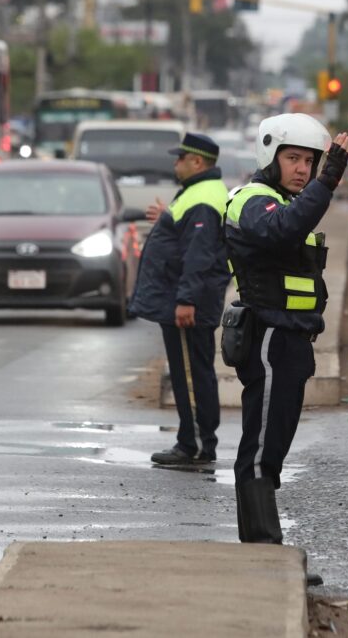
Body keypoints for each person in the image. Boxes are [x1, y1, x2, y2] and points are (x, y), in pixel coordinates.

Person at [224, 113, 348, 544]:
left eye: (310, 161)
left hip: (290, 339)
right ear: (270, 155)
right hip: (268, 336)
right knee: (262, 443)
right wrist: (329, 179)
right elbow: (283, 230)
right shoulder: (251, 199)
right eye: (292, 158)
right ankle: (262, 544)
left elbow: (292, 222)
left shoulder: (281, 201)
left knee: (274, 439)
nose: (302, 169)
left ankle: (262, 539)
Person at [129, 132, 232, 465]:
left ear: (197, 162)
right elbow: (190, 237)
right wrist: (167, 219)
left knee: (190, 372)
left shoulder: (202, 197)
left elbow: (199, 254)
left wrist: (186, 300)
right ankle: (193, 439)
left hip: (189, 302)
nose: (175, 163)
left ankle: (196, 444)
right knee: (190, 369)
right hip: (183, 297)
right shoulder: (199, 193)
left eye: (180, 158)